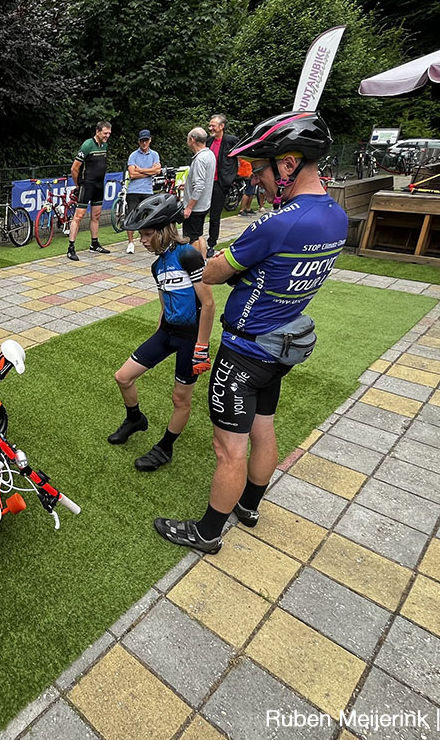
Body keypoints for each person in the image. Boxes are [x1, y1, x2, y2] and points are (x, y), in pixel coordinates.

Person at [153, 111, 346, 554]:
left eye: (259, 170)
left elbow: (215, 271)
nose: (254, 180)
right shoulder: (336, 216)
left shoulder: (278, 222)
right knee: (265, 427)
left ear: (288, 164)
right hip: (280, 346)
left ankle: (206, 532)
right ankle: (250, 505)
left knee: (229, 449)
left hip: (243, 351)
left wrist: (215, 259)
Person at [107, 194, 215, 471]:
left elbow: (208, 303)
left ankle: (165, 447)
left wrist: (202, 346)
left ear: (164, 229)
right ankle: (135, 419)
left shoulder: (188, 255)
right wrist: (156, 340)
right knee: (123, 377)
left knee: (180, 399)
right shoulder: (157, 265)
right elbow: (165, 303)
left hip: (192, 339)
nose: (142, 240)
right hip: (167, 333)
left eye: (146, 234)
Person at [67, 121, 113, 260]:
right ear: (98, 131)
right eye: (105, 133)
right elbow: (74, 168)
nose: (107, 136)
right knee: (79, 216)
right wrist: (78, 184)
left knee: (96, 215)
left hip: (99, 184)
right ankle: (71, 248)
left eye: (109, 133)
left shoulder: (104, 145)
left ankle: (94, 243)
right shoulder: (87, 145)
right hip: (87, 184)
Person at [205, 114, 240, 258]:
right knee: (200, 212)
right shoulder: (208, 142)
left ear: (221, 126)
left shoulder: (231, 141)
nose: (210, 128)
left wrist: (230, 177)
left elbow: (242, 156)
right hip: (206, 183)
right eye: (210, 125)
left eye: (213, 125)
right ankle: (196, 241)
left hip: (220, 183)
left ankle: (211, 244)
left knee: (215, 216)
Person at [123, 129, 162, 253]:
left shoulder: (154, 154)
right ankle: (130, 243)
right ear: (139, 142)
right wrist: (149, 171)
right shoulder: (133, 155)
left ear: (150, 140)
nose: (144, 143)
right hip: (133, 190)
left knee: (149, 216)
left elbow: (157, 171)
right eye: (142, 141)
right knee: (131, 216)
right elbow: (132, 174)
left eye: (146, 140)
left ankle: (149, 240)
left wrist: (141, 170)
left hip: (147, 190)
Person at [181, 128, 216, 257]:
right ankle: (203, 264)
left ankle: (195, 266)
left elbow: (200, 186)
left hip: (195, 208)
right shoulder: (210, 154)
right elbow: (203, 180)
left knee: (191, 238)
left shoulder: (200, 159)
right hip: (204, 204)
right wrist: (187, 186)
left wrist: (189, 207)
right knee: (199, 234)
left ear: (192, 140)